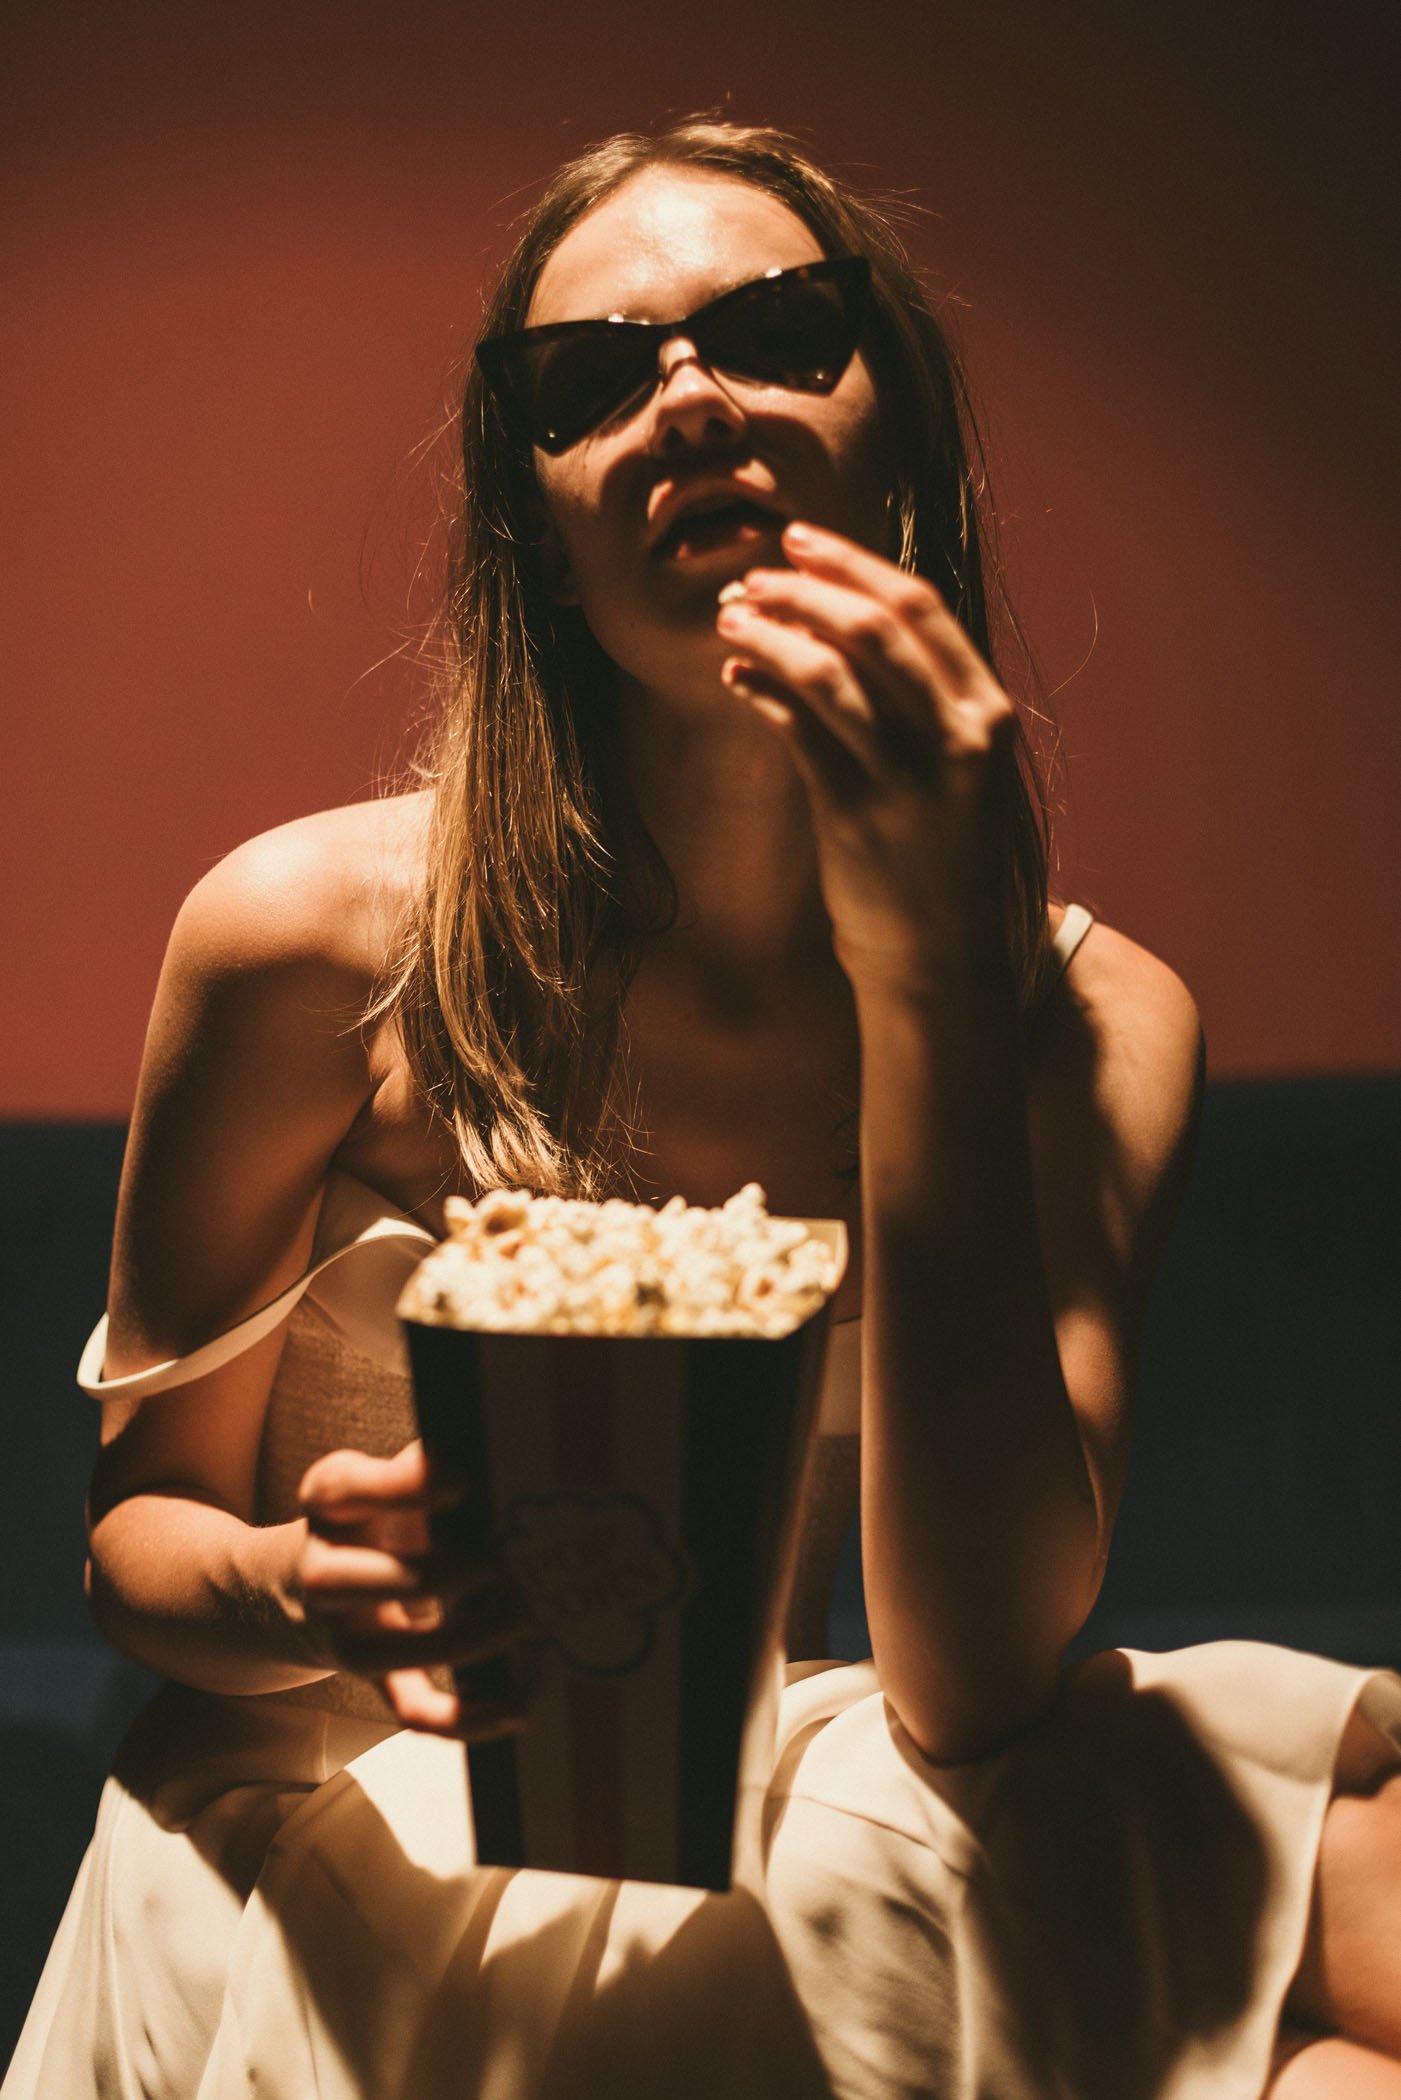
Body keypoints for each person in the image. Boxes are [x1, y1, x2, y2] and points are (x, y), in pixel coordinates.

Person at [6, 117, 1401, 2100]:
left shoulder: (1095, 1015)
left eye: (771, 334)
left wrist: (925, 977)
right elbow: (135, 1537)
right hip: (323, 1814)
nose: (683, 398)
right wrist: (303, 1589)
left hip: (796, 1770)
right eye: (588, 379)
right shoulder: (302, 943)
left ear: (898, 441)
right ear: (536, 528)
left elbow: (971, 1677)